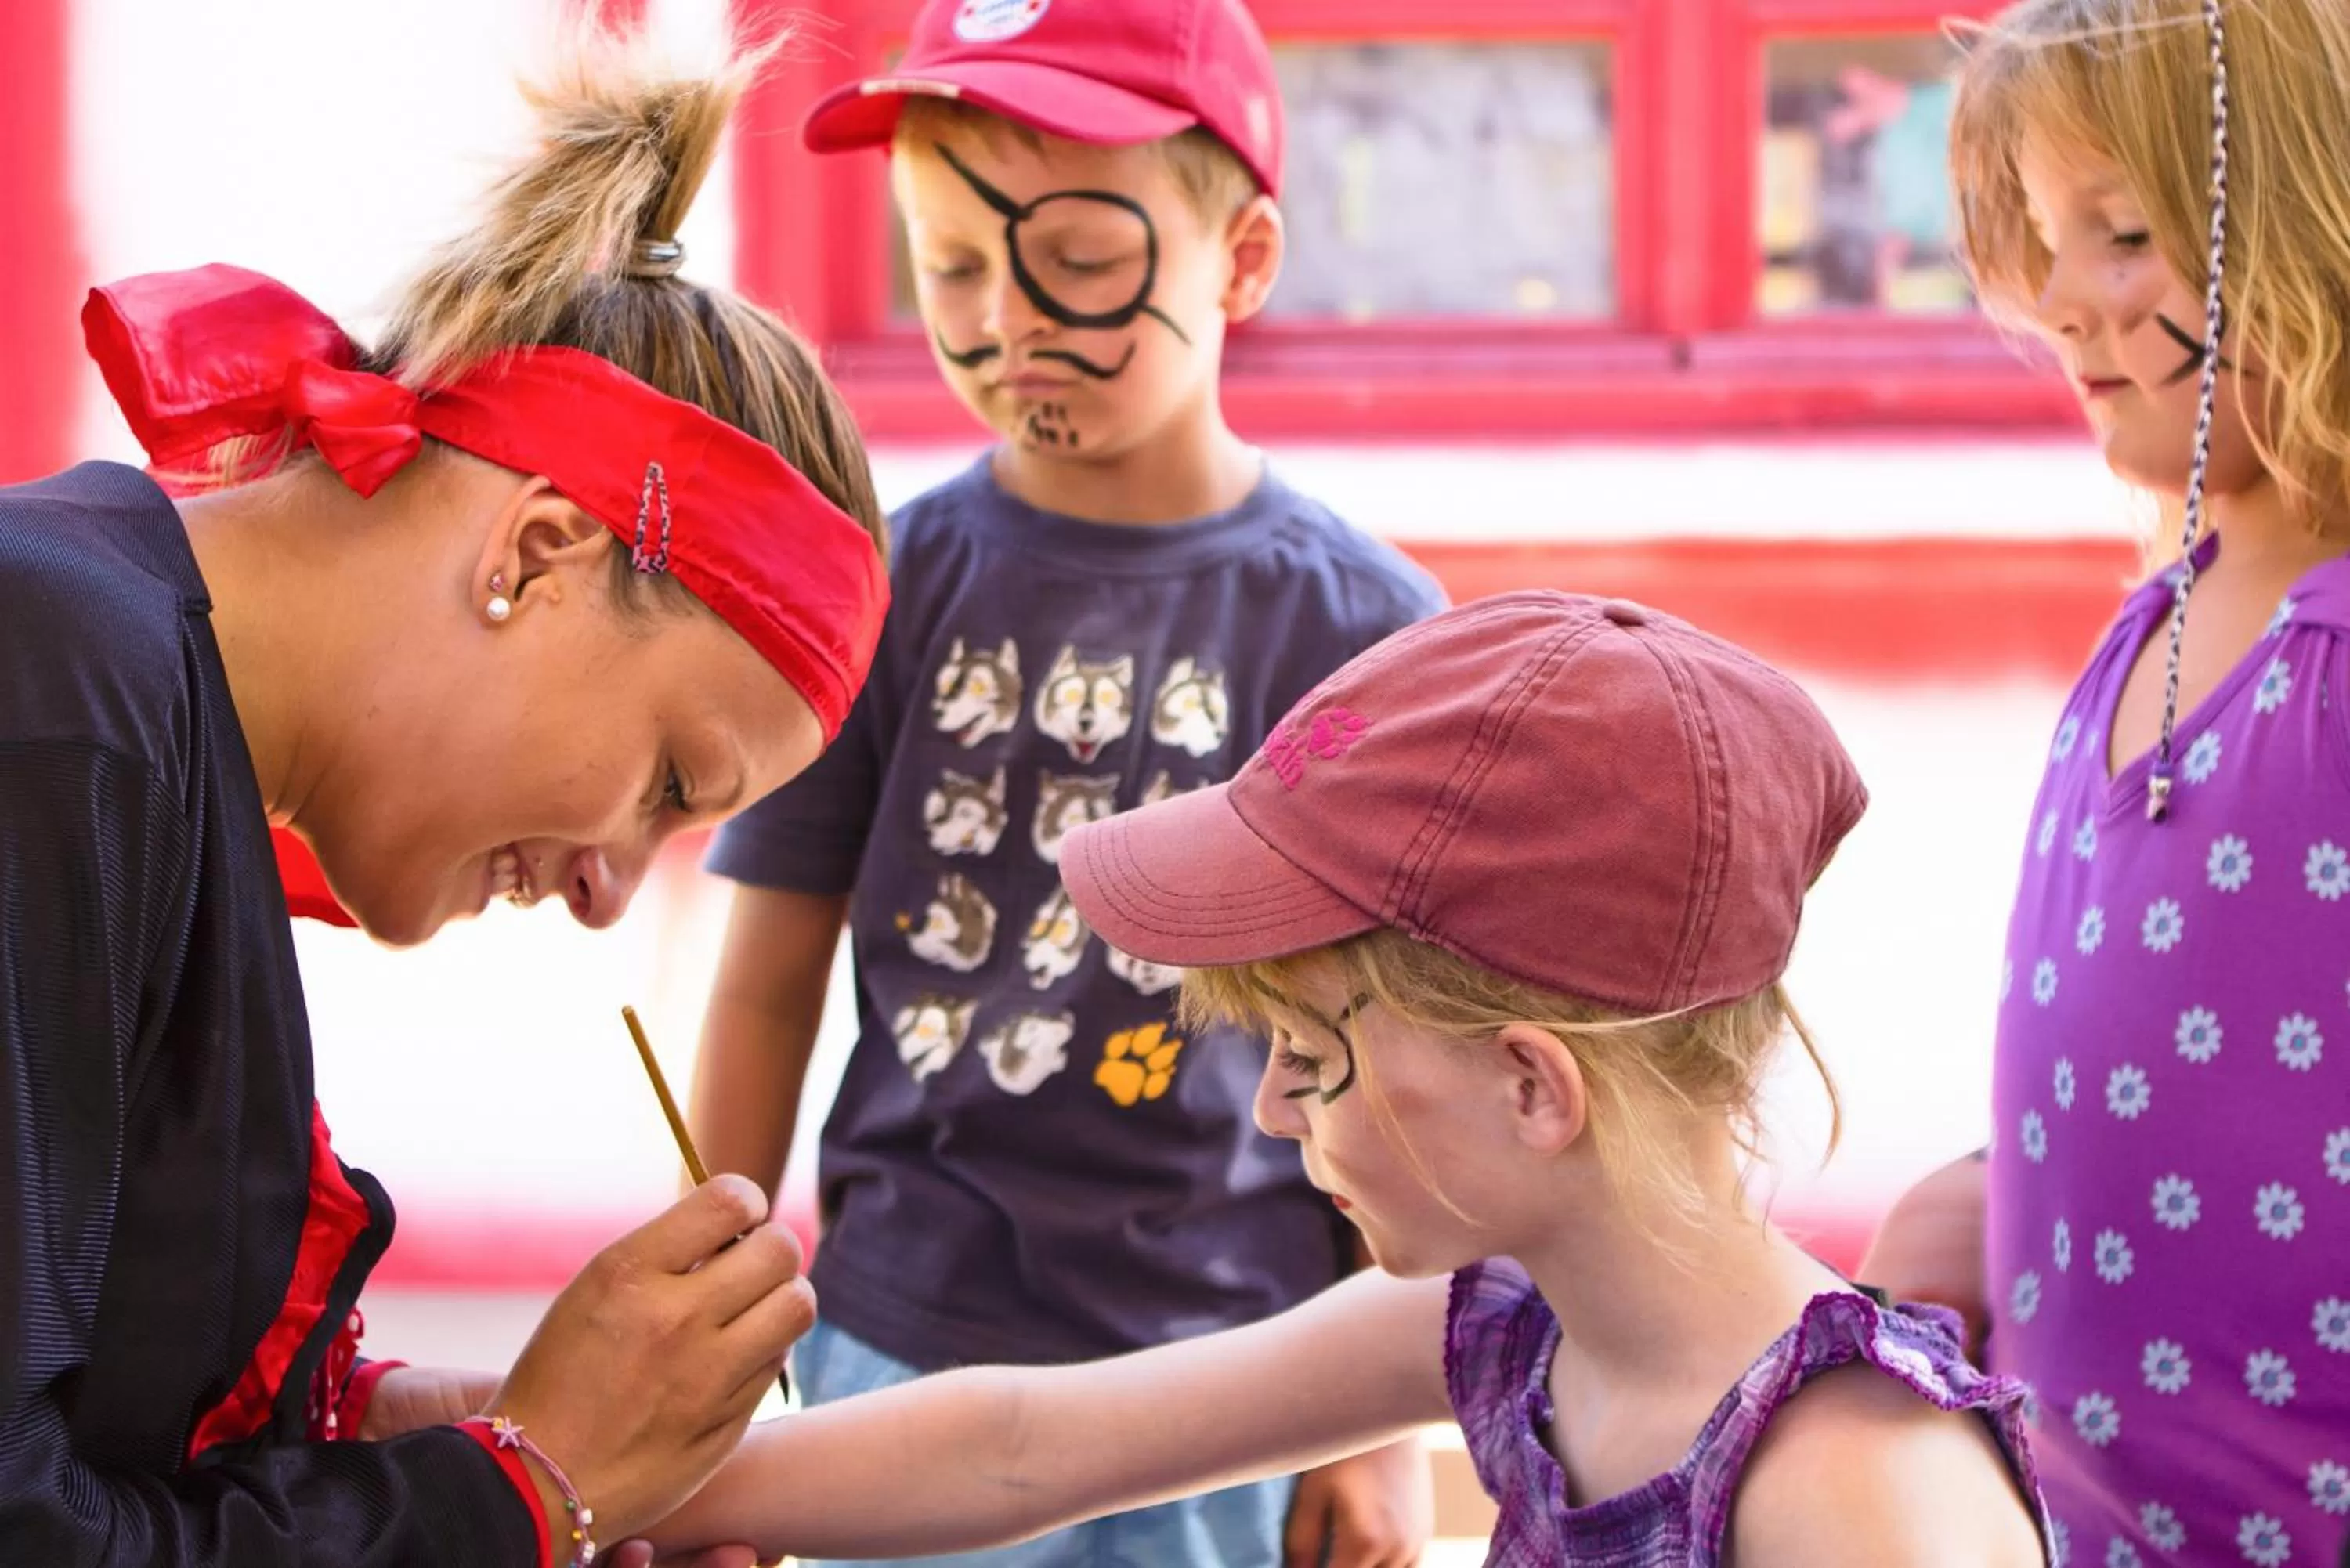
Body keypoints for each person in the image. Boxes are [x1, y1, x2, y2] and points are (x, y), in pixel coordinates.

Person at [638, 592, 2049, 1568]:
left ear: (1534, 1088)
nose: (1272, 1110)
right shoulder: (1519, 1319)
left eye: (1312, 1057)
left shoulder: (1862, 1494)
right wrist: (561, 1481)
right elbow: (1025, 1442)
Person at [0, 24, 892, 1566]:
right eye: (671, 781)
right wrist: (517, 1489)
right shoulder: (60, 703)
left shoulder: (138, 716)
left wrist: (466, 1442)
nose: (610, 890)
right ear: (535, 556)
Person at [688, 2, 1444, 1563]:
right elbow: (764, 985)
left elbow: (1408, 1041)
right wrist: (699, 1353)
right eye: (951, 263)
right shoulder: (881, 589)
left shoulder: (1361, 627)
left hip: (1238, 1383)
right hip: (903, 1358)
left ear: (1241, 260)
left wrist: (1378, 1418)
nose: (1009, 320)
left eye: (1082, 260)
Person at [1861, 0, 2350, 1560]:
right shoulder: (2152, 630)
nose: (2060, 298)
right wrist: (1993, 1197)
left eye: (2126, 232)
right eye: (2046, 234)